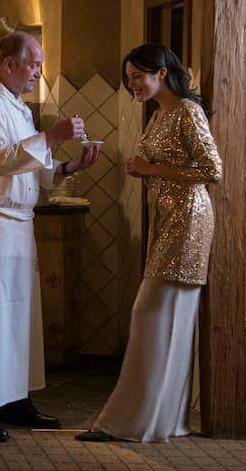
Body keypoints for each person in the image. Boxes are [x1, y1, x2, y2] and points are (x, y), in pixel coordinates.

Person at [0, 31, 101, 442]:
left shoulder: (18, 107)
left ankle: (15, 399)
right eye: (33, 63)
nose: (38, 71)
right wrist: (52, 136)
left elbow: (41, 174)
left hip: (20, 223)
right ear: (8, 64)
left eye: (39, 63)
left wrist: (70, 168)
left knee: (20, 316)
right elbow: (1, 161)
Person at [76, 44, 222, 444]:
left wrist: (150, 168)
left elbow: (213, 169)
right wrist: (142, 170)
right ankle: (158, 421)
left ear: (161, 72)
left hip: (188, 221)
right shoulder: (160, 114)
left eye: (137, 76)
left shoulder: (188, 112)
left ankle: (127, 422)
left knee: (149, 314)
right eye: (128, 79)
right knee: (160, 317)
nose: (132, 85)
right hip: (166, 219)